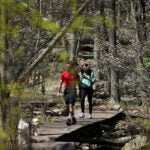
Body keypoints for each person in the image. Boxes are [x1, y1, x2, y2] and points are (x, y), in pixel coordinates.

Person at [57, 60, 80, 125]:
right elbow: (60, 83)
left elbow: (79, 84)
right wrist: (58, 92)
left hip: (73, 90)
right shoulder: (63, 74)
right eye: (67, 67)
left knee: (70, 105)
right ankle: (73, 117)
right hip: (66, 90)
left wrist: (80, 92)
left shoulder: (75, 74)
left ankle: (69, 118)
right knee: (69, 105)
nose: (68, 68)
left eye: (69, 67)